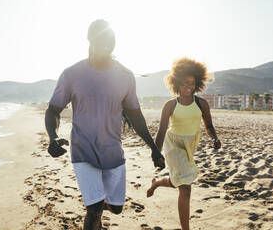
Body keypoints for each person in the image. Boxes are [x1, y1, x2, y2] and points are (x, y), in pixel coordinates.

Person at [45, 19, 165, 230]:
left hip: (112, 152)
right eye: (102, 38)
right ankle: (95, 207)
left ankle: (98, 204)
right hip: (83, 151)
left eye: (111, 39)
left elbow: (135, 115)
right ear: (90, 39)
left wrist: (154, 148)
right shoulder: (72, 74)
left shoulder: (125, 76)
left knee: (116, 207)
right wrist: (52, 136)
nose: (107, 43)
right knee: (94, 209)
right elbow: (53, 110)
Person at [146, 57, 221, 230]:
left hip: (191, 143)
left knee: (178, 181)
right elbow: (161, 130)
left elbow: (209, 125)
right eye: (186, 83)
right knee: (185, 188)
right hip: (173, 145)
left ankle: (157, 183)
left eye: (192, 83)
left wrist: (214, 138)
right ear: (177, 83)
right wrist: (156, 153)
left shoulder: (201, 104)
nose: (189, 87)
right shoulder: (170, 105)